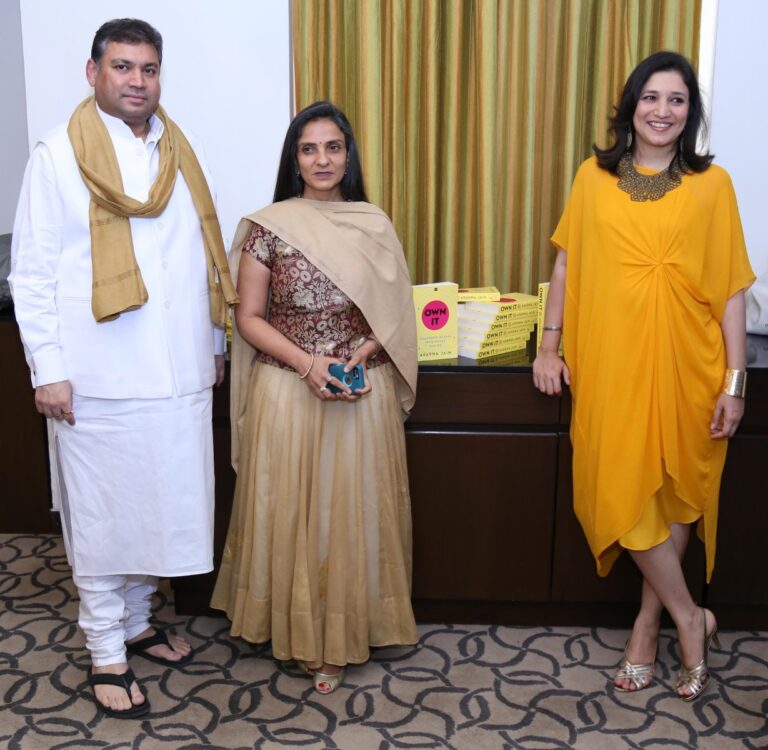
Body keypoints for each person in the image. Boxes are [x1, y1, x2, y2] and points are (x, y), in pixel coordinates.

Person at [9, 19, 237, 718]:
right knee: (105, 517)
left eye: (148, 68)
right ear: (93, 72)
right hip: (98, 375)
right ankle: (105, 647)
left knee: (159, 505)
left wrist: (215, 345)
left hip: (177, 373)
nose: (137, 80)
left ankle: (137, 621)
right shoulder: (56, 156)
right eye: (123, 67)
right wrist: (47, 370)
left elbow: (197, 259)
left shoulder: (177, 147)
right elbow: (34, 272)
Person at [532, 51, 754, 701]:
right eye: (651, 97)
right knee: (615, 489)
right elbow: (568, 268)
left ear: (691, 113)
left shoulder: (714, 187)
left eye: (677, 100)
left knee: (675, 490)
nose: (663, 110)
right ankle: (692, 616)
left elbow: (733, 290)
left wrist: (735, 382)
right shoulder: (592, 178)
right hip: (610, 363)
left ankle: (647, 624)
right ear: (630, 107)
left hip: (691, 362)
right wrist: (549, 347)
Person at [211, 101, 418, 695]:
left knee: (352, 515)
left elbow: (397, 311)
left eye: (332, 147)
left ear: (348, 155)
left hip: (359, 392)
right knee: (297, 515)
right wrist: (307, 364)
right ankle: (304, 636)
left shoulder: (373, 222)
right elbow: (248, 317)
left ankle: (349, 631)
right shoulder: (268, 226)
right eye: (309, 148)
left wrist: (365, 349)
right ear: (294, 158)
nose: (322, 159)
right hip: (289, 389)